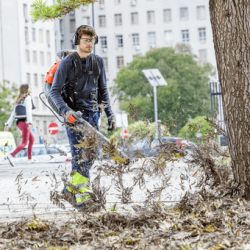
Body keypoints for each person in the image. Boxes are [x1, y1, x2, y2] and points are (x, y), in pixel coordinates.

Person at [50, 25, 116, 210]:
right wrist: (67, 111)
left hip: (93, 114)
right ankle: (82, 199)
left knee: (91, 155)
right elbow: (54, 92)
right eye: (86, 40)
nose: (89, 43)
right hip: (74, 117)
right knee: (80, 157)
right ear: (77, 41)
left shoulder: (98, 62)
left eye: (92, 40)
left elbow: (103, 90)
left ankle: (69, 190)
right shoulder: (67, 63)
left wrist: (110, 114)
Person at [4, 84, 36, 167]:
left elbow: (13, 114)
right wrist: (29, 122)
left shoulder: (20, 99)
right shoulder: (28, 98)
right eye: (29, 87)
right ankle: (11, 156)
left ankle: (29, 159)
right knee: (25, 142)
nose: (31, 88)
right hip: (25, 122)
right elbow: (28, 111)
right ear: (26, 90)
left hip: (19, 123)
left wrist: (8, 124)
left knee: (31, 139)